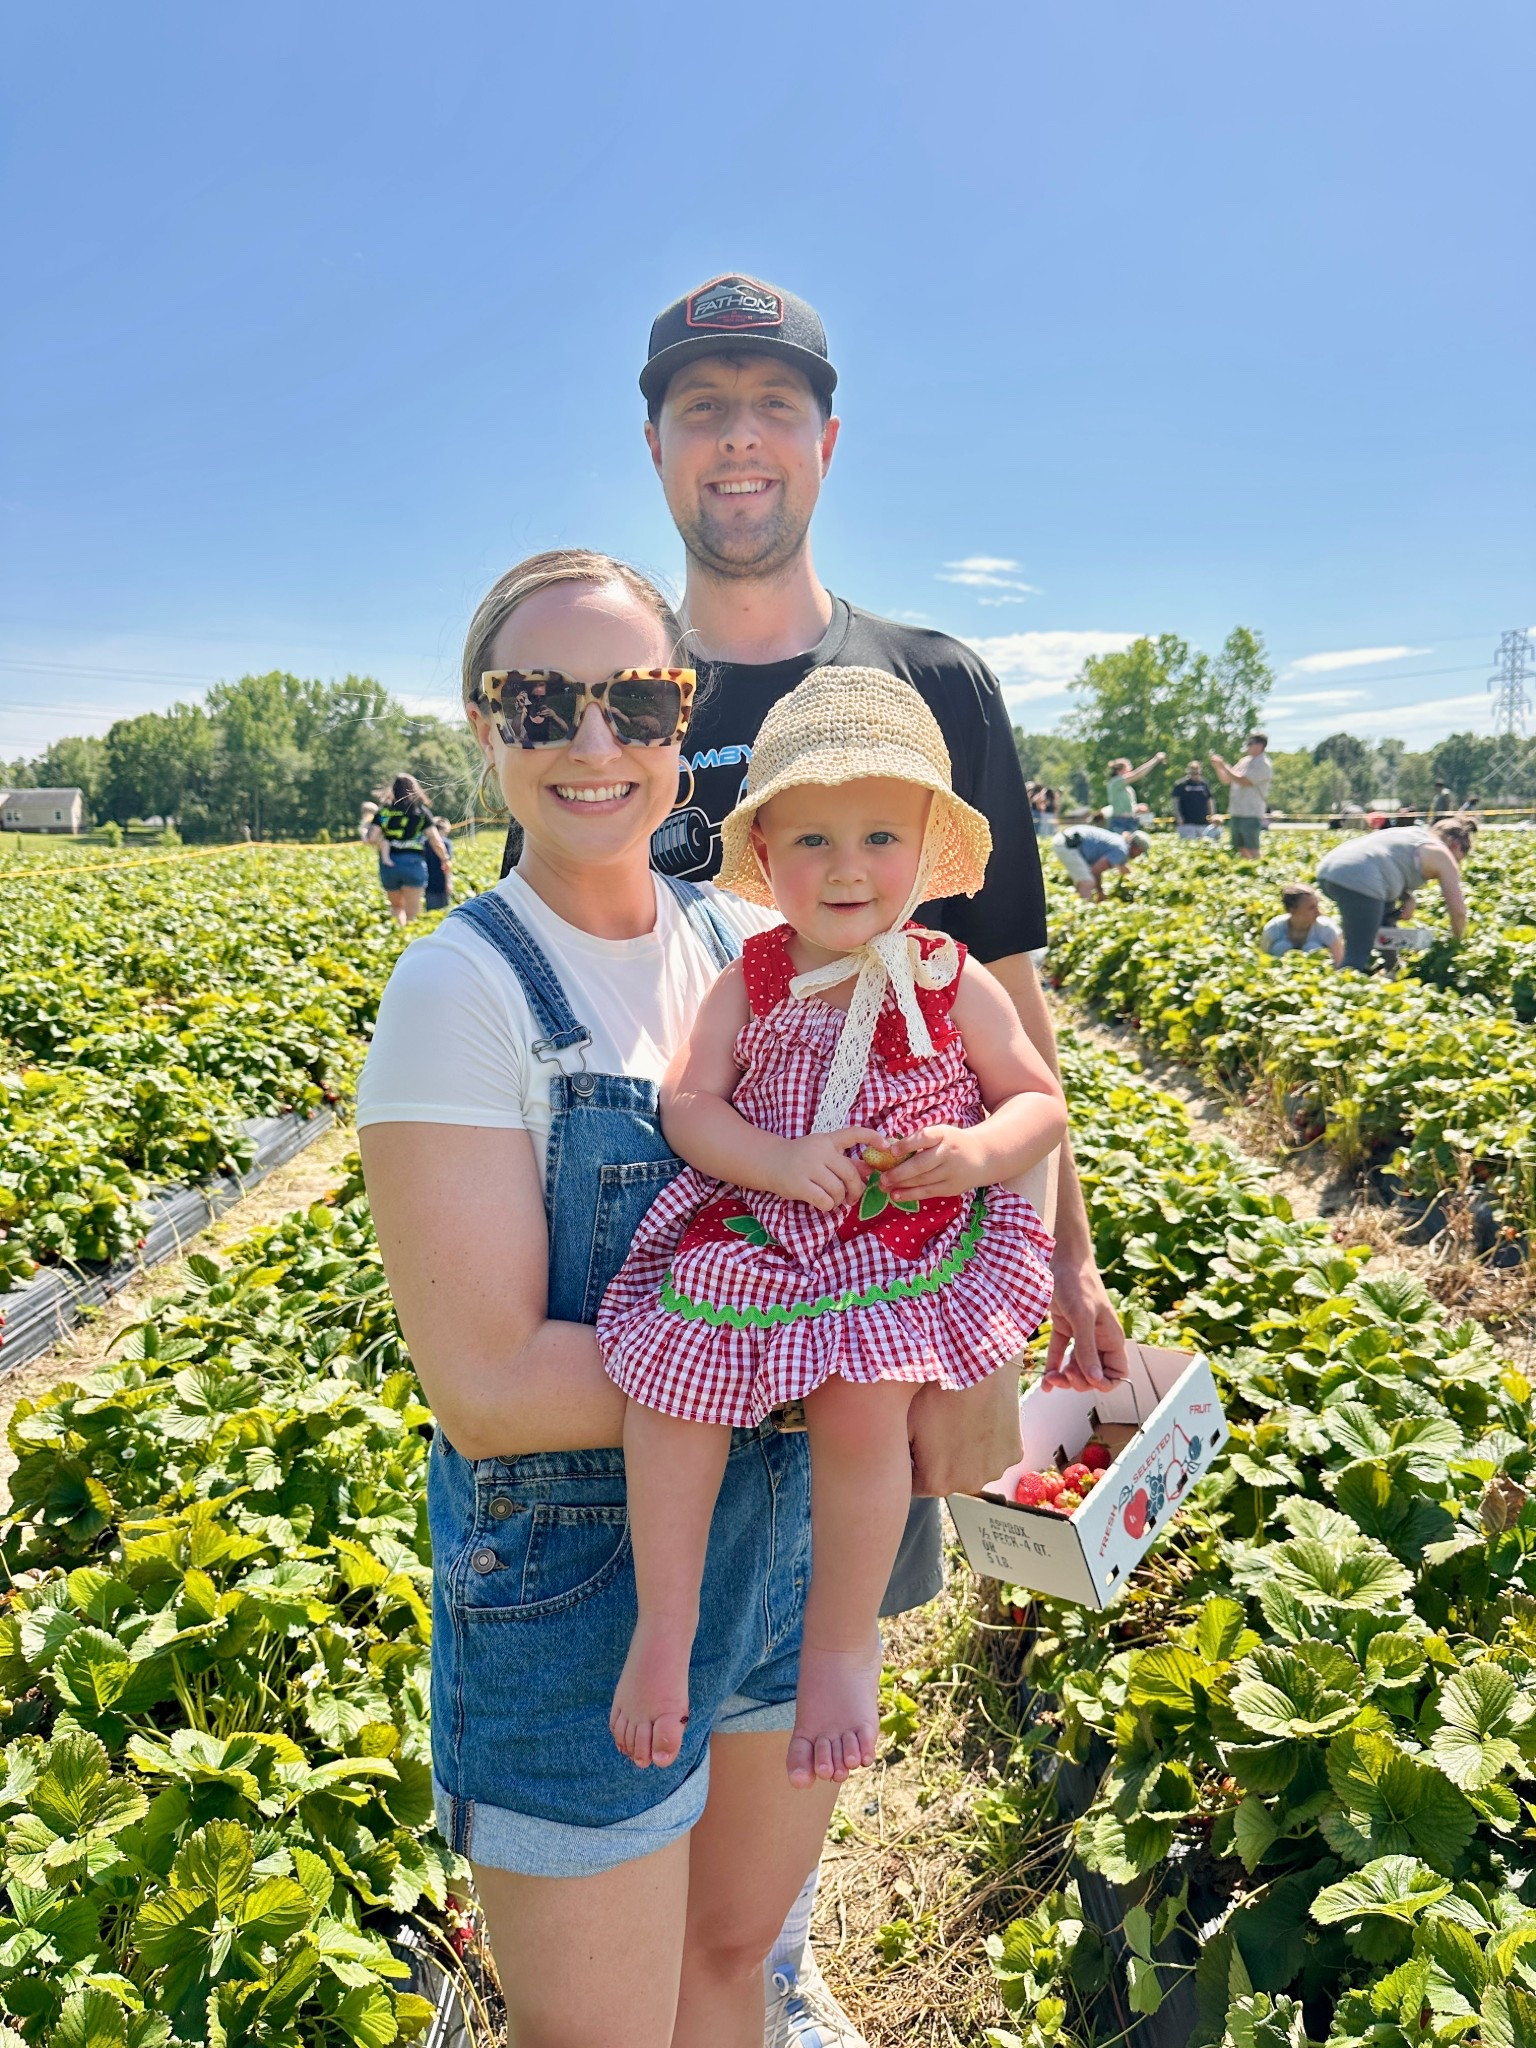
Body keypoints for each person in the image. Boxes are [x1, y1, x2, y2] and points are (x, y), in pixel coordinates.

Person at [507, 271, 1127, 2048]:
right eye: (702, 406)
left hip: (894, 1257)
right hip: (694, 1246)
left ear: (827, 439)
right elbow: (575, 978)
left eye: (772, 403)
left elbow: (1012, 1013)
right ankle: (686, 1967)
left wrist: (1053, 1268)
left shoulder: (934, 681)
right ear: (654, 443)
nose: (740, 439)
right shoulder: (614, 695)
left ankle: (762, 1966)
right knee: (685, 1654)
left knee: (816, 1651)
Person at [360, 551, 884, 2048]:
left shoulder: (741, 945)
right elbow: (492, 1386)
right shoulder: (464, 991)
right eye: (542, 703)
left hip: (777, 1557)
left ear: (681, 715)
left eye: (636, 701)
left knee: (732, 1968)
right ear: (485, 728)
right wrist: (830, 1361)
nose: (595, 742)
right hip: (580, 1594)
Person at [599, 668, 1066, 1789]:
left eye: (877, 837)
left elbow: (1039, 1103)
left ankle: (842, 1643)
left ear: (925, 849)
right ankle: (665, 1623)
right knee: (670, 1390)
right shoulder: (752, 976)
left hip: (903, 1239)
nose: (847, 867)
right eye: (812, 839)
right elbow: (691, 1103)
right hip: (768, 1228)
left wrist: (971, 1153)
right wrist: (774, 1160)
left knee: (865, 1405)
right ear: (763, 852)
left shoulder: (950, 977)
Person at [1316, 816, 1473, 972]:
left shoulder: (1413, 833)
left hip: (1328, 872)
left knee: (1382, 926)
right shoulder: (1441, 853)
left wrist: (1407, 897)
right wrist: (1457, 943)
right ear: (1455, 845)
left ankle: (1392, 967)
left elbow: (1386, 862)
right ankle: (1345, 978)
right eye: (1458, 860)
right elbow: (1458, 912)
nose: (1455, 864)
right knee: (1358, 954)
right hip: (1360, 878)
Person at [367, 774, 452, 926]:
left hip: (389, 864)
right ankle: (408, 936)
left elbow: (372, 838)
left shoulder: (384, 812)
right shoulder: (420, 812)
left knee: (396, 907)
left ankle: (398, 934)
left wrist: (384, 842)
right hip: (413, 864)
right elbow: (436, 841)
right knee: (412, 914)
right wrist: (445, 859)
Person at [1210, 734, 1273, 858]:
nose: (1247, 746)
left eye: (1250, 743)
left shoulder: (1264, 764)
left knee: (1252, 847)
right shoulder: (1244, 761)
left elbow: (1244, 781)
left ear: (1260, 745)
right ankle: (1248, 866)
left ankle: (1259, 866)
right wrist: (1218, 768)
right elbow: (1227, 780)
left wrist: (1224, 765)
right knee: (1239, 847)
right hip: (1237, 811)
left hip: (1251, 812)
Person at [1052, 822, 1150, 900]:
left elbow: (1124, 868)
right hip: (1068, 844)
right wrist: (1100, 893)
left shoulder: (1121, 843)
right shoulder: (1121, 851)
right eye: (1140, 852)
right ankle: (1085, 910)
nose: (1139, 855)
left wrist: (1132, 881)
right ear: (1136, 848)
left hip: (1067, 839)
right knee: (1088, 882)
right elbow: (1096, 870)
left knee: (1084, 880)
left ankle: (1079, 903)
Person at [1261, 883, 1343, 964]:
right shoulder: (1274, 928)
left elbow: (1339, 963)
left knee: (1312, 948)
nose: (1318, 912)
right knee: (1281, 947)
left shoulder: (1327, 929)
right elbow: (1262, 960)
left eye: (1317, 906)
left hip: (1319, 972)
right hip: (1278, 972)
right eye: (1311, 908)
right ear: (1292, 909)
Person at [1105, 753, 1164, 832]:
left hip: (1131, 821)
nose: (1130, 771)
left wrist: (1137, 808)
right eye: (1127, 769)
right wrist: (1155, 759)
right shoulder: (1115, 782)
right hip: (1119, 822)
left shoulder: (1128, 789)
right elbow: (1137, 774)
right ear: (1119, 771)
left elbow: (1126, 807)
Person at [1169, 760, 1216, 840]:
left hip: (1202, 822)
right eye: (1193, 773)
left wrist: (1212, 815)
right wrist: (1178, 816)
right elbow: (1175, 802)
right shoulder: (1180, 785)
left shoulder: (1204, 784)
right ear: (1188, 772)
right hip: (1186, 823)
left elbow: (1209, 801)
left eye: (1197, 773)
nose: (1195, 775)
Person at [424, 814, 455, 911]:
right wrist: (449, 882)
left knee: (431, 911)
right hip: (442, 881)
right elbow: (447, 864)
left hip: (428, 882)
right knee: (444, 911)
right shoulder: (446, 843)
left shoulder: (424, 842)